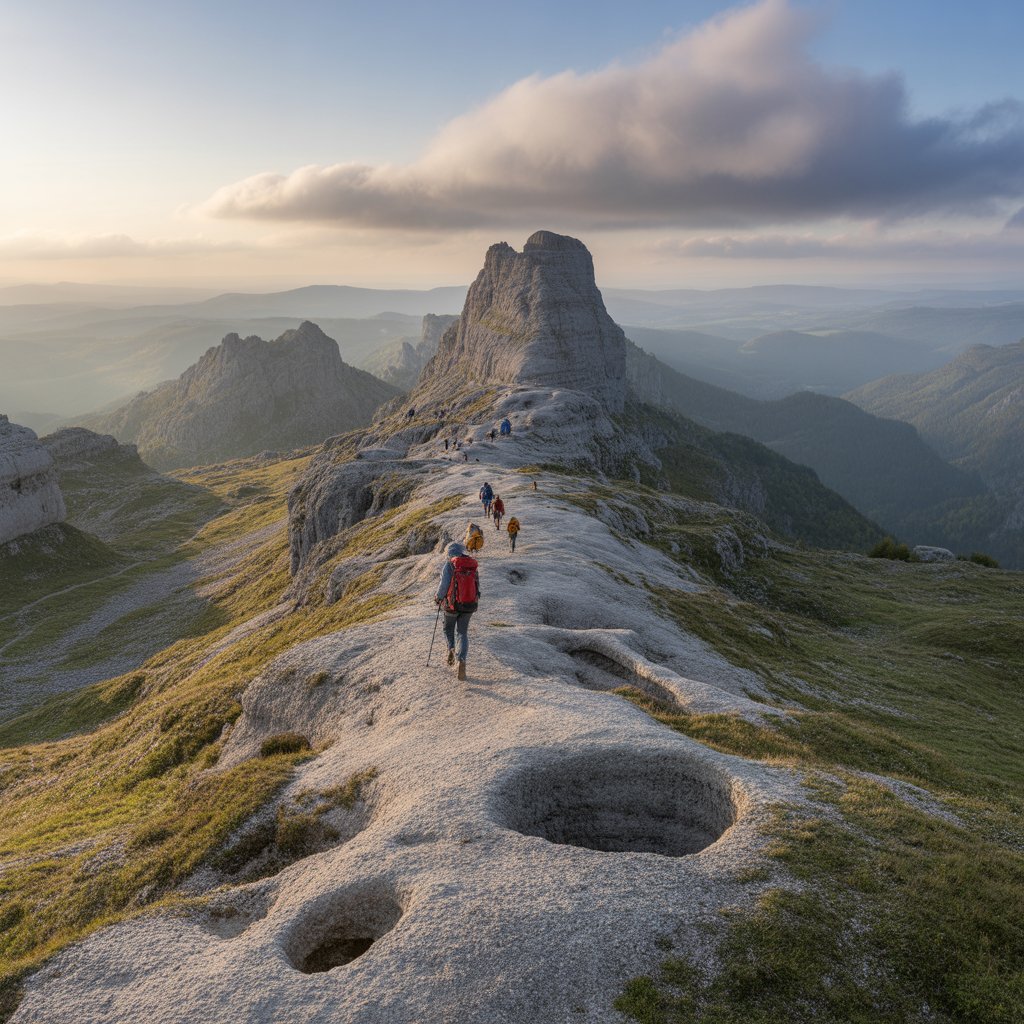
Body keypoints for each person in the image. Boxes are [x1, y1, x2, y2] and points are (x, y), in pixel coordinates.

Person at [435, 541, 479, 680]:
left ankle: (451, 649)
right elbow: (477, 584)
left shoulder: (449, 564)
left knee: (448, 628)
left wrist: (438, 598)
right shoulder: (471, 565)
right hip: (469, 605)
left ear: (450, 553)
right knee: (462, 632)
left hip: (451, 605)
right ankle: (462, 660)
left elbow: (444, 585)